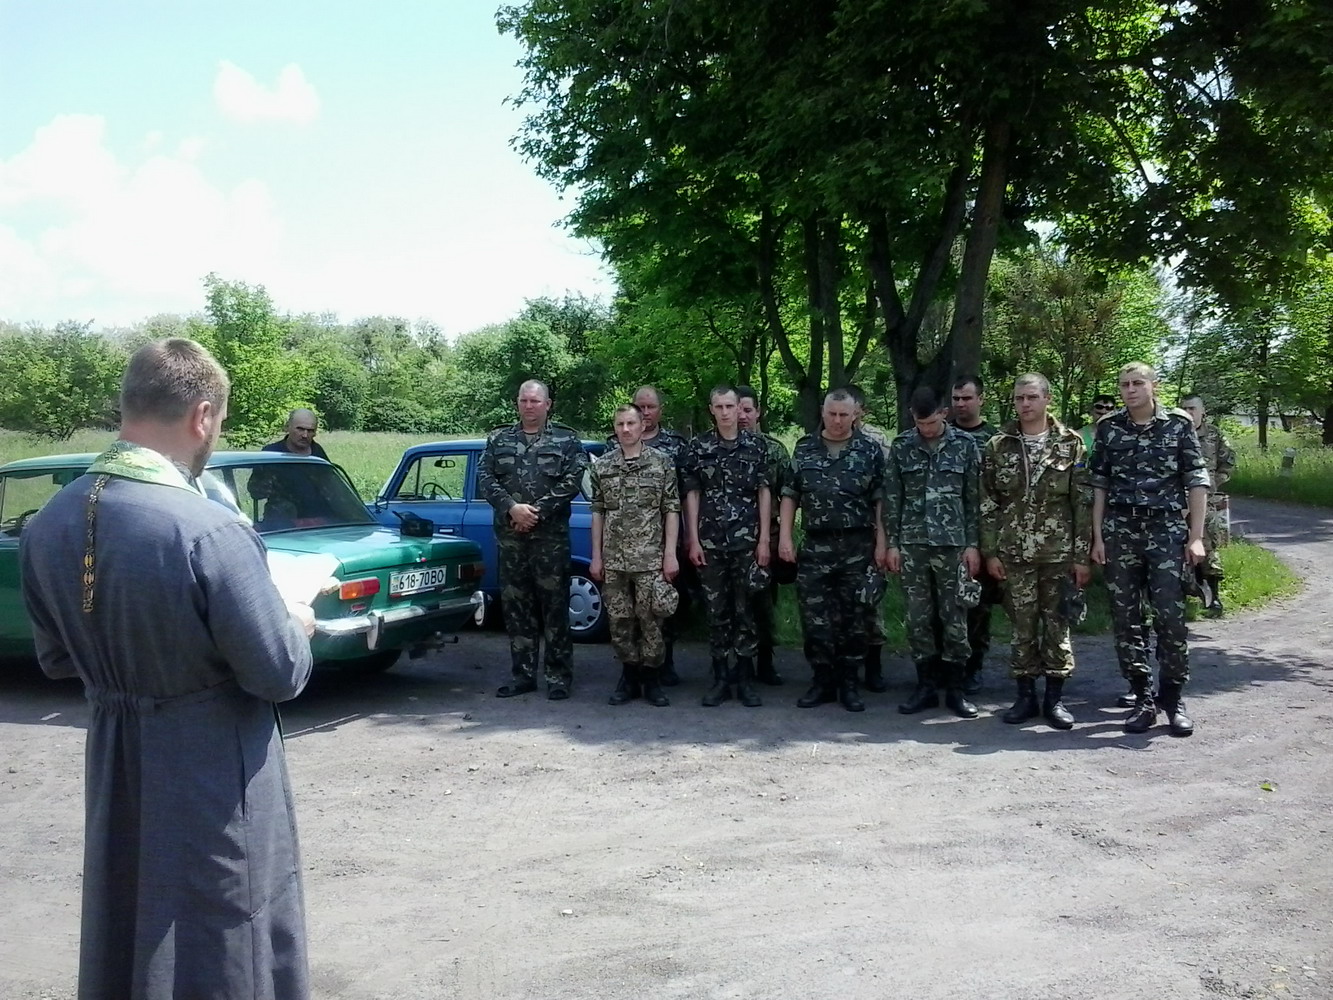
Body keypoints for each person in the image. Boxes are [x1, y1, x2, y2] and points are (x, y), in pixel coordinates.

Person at [19, 338, 315, 1000]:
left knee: (128, 914)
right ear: (203, 416)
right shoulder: (208, 529)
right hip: (211, 770)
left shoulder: (48, 524)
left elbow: (57, 658)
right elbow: (278, 673)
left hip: (117, 758)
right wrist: (294, 620)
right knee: (220, 933)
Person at [1090, 362, 1209, 736]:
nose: (1130, 389)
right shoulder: (1108, 428)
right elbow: (1099, 485)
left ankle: (1172, 699)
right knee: (1126, 619)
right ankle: (1142, 697)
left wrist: (1196, 536)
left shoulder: (1178, 425)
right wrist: (1097, 537)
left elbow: (1197, 481)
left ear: (1154, 386)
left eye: (1137, 383)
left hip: (1166, 531)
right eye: (1124, 384)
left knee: (1170, 618)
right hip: (1121, 530)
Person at [980, 373, 1092, 731]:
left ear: (1047, 399)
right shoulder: (998, 445)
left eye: (1031, 397)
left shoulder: (1070, 444)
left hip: (1058, 554)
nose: (1025, 404)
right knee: (1022, 627)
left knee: (1057, 626)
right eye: (1019, 398)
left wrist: (1082, 557)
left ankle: (1054, 699)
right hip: (1014, 554)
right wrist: (990, 552)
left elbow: (1082, 503)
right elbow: (987, 502)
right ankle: (1025, 696)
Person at [478, 379, 589, 700]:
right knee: (516, 608)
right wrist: (512, 508)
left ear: (548, 404)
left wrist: (535, 512)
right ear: (517, 402)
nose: (529, 406)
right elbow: (485, 478)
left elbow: (572, 481)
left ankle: (558, 677)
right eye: (524, 400)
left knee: (555, 609)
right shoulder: (498, 439)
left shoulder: (566, 440)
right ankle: (523, 675)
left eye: (535, 401)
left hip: (550, 541)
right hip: (511, 540)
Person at [780, 388, 886, 712]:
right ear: (823, 413)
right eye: (832, 414)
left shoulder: (869, 450)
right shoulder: (805, 448)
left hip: (857, 545)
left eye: (844, 415)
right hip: (816, 546)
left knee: (855, 618)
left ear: (855, 415)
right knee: (815, 618)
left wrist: (883, 543)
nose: (837, 420)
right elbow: (790, 494)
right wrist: (785, 537)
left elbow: (880, 500)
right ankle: (822, 680)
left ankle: (849, 683)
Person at [885, 386, 983, 719]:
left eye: (931, 422)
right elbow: (893, 498)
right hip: (913, 545)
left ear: (944, 413)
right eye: (919, 423)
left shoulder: (965, 445)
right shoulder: (902, 446)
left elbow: (973, 499)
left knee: (955, 616)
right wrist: (893, 544)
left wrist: (973, 544)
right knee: (918, 618)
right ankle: (925, 686)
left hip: (953, 545)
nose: (925, 429)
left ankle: (955, 689)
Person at [683, 385, 772, 707]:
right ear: (711, 409)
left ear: (738, 408)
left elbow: (764, 492)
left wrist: (764, 540)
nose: (724, 413)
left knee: (746, 611)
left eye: (729, 406)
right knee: (716, 611)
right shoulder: (699, 447)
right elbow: (692, 493)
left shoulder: (757, 446)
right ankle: (721, 678)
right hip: (711, 541)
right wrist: (693, 539)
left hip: (747, 541)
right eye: (718, 407)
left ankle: (745, 679)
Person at [589, 403, 680, 707]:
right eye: (620, 424)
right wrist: (596, 556)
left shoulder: (662, 463)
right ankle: (628, 677)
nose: (625, 429)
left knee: (651, 621)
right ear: (614, 428)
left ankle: (652, 679)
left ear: (643, 425)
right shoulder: (602, 466)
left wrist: (670, 554)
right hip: (614, 559)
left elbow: (671, 509)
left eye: (631, 423)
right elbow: (598, 512)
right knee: (619, 621)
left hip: (650, 558)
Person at [611, 385, 692, 685]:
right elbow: (602, 504)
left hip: (659, 545)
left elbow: (679, 498)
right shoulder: (612, 449)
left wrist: (680, 543)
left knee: (659, 609)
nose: (645, 413)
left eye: (651, 407)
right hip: (619, 548)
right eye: (640, 407)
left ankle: (662, 667)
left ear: (660, 410)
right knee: (623, 614)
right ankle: (630, 672)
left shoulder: (674, 448)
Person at [948, 375, 998, 694]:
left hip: (983, 534)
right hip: (946, 534)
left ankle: (974, 666)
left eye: (967, 398)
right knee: (945, 607)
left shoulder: (995, 439)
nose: (961, 404)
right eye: (956, 399)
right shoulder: (943, 435)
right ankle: (946, 667)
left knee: (978, 606)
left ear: (981, 399)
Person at [736, 384, 789, 686]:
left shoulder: (774, 450)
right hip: (730, 538)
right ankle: (738, 662)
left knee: (764, 604)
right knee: (734, 604)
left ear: (759, 412)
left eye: (748, 410)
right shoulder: (719, 446)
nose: (742, 416)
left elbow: (789, 495)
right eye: (738, 410)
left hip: (766, 537)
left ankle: (766, 661)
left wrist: (782, 538)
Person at [844, 383, 891, 692]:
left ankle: (874, 665)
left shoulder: (877, 441)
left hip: (870, 532)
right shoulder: (823, 437)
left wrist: (883, 537)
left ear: (860, 410)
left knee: (870, 603)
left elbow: (884, 490)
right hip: (840, 535)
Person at [1181, 394, 1236, 616]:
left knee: (1208, 546)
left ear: (1202, 411)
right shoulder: (1173, 432)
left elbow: (1228, 461)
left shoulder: (1214, 434)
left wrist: (1214, 483)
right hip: (1176, 500)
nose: (1188, 412)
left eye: (1192, 408)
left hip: (1206, 501)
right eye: (1185, 408)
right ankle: (1181, 592)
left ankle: (1213, 597)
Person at [263, 407, 329, 459]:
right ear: (287, 427)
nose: (305, 435)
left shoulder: (318, 453)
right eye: (300, 429)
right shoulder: (270, 453)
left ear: (315, 433)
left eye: (310, 431)